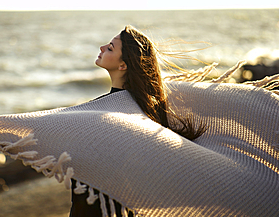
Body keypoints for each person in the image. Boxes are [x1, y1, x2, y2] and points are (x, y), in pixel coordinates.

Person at [69, 25, 206, 216]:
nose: (101, 48)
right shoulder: (143, 109)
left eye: (110, 48)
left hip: (95, 205)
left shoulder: (104, 110)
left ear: (123, 65)